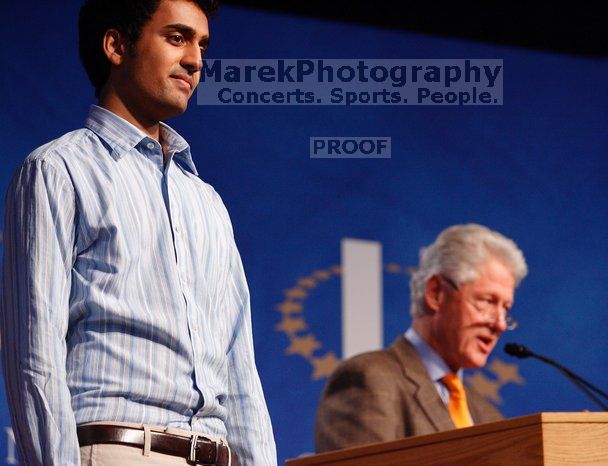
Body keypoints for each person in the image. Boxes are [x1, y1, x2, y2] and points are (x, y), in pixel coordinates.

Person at [0, 1, 276, 464]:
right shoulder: (58, 171)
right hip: (118, 449)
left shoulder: (207, 201)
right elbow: (35, 357)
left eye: (202, 45)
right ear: (116, 46)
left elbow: (239, 371)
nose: (195, 60)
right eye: (177, 38)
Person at [315, 224, 528, 452]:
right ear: (436, 293)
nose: (500, 324)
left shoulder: (489, 416)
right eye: (487, 301)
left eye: (506, 308)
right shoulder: (370, 379)